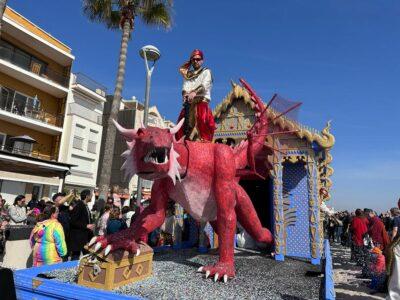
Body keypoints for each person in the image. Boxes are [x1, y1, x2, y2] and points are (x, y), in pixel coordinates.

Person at [175, 49, 216, 142]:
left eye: (198, 59)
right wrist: (185, 94)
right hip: (189, 103)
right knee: (181, 123)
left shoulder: (206, 72)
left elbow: (205, 85)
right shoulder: (188, 75)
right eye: (193, 59)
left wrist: (194, 92)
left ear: (202, 60)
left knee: (203, 120)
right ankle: (182, 142)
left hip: (201, 100)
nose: (196, 61)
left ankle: (205, 142)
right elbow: (185, 87)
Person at [68, 189, 95, 260]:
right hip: (78, 237)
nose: (92, 196)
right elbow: (73, 221)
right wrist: (86, 226)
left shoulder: (85, 205)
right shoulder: (79, 205)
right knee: (75, 257)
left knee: (87, 256)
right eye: (91, 195)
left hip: (85, 237)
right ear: (87, 196)